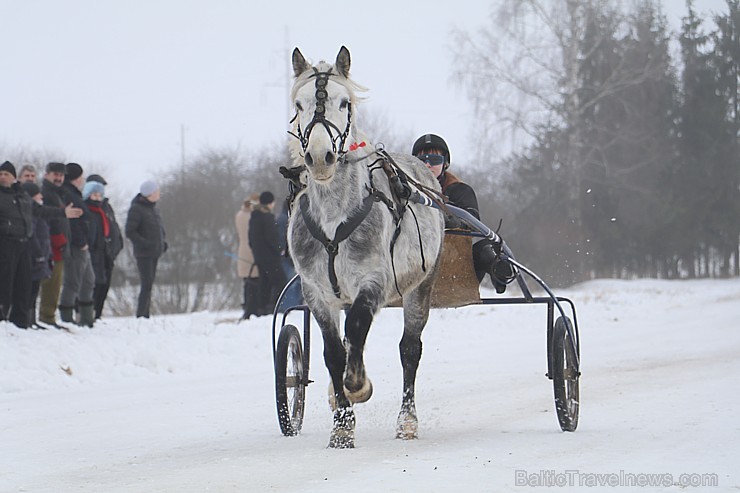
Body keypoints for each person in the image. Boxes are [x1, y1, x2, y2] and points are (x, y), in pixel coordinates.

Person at [412, 134, 517, 293]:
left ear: (445, 163)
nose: (427, 165)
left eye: (434, 160)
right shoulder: (405, 191)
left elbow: (473, 221)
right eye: (422, 160)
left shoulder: (460, 190)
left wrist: (452, 221)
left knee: (485, 247)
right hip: (413, 261)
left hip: (453, 264)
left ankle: (499, 271)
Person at [0, 161, 80, 329]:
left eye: (6, 174)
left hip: (23, 244)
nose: (3, 177)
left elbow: (40, 211)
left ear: (14, 177)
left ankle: (20, 324)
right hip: (5, 244)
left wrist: (62, 213)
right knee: (5, 286)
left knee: (24, 285)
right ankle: (3, 323)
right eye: (0, 174)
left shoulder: (21, 195)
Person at [59, 162, 96, 327]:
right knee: (72, 281)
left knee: (88, 280)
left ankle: (87, 318)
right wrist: (81, 242)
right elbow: (73, 222)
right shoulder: (69, 194)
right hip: (76, 246)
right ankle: (67, 317)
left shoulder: (75, 194)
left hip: (83, 245)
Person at [38, 162, 73, 329]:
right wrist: (59, 240)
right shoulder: (48, 194)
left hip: (60, 242)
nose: (58, 178)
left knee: (56, 281)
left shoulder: (59, 194)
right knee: (51, 282)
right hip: (52, 244)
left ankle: (49, 315)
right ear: (47, 175)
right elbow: (50, 219)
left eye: (61, 175)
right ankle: (46, 315)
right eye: (55, 174)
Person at [125, 180, 166, 319]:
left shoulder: (153, 209)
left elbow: (159, 229)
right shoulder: (137, 209)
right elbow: (130, 231)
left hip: (155, 251)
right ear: (150, 193)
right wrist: (145, 243)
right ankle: (141, 315)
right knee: (146, 283)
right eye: (157, 191)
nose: (159, 193)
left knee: (150, 283)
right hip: (144, 253)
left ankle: (146, 313)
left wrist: (162, 243)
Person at [87, 174, 123, 319]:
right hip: (95, 253)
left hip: (108, 253)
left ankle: (98, 314)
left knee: (104, 285)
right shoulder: (87, 207)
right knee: (94, 284)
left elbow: (114, 228)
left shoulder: (106, 207)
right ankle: (89, 314)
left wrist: (117, 247)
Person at [249, 191, 287, 315]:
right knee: (281, 281)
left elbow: (250, 239)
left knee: (264, 283)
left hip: (259, 256)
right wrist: (280, 249)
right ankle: (273, 307)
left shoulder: (254, 217)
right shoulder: (267, 217)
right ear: (270, 202)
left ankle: (262, 308)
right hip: (270, 257)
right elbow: (272, 237)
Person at [21, 182, 52, 329]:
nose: (41, 196)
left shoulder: (39, 212)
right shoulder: (31, 212)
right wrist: (38, 253)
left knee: (35, 289)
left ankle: (31, 319)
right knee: (30, 289)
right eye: (38, 194)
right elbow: (32, 233)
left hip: (42, 254)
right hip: (34, 256)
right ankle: (26, 318)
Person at [234, 193, 261, 320]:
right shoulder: (252, 216)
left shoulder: (239, 215)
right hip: (252, 251)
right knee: (254, 282)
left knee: (247, 282)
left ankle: (247, 306)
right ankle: (252, 308)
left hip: (242, 250)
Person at [276, 197, 303, 310]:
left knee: (294, 282)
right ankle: (289, 307)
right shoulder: (285, 220)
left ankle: (293, 305)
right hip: (287, 257)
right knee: (292, 283)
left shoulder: (283, 218)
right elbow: (283, 237)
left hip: (288, 256)